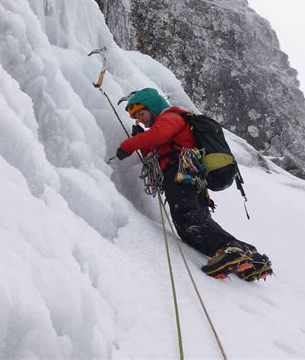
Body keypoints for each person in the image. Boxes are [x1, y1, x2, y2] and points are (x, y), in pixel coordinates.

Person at [116, 88, 272, 281]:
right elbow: (155, 152)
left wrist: (128, 145)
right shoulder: (165, 125)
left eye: (141, 113)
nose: (139, 119)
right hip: (188, 176)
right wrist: (141, 140)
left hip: (180, 171)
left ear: (153, 107)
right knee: (192, 220)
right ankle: (251, 259)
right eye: (135, 118)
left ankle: (231, 251)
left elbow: (158, 136)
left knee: (187, 218)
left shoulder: (170, 117)